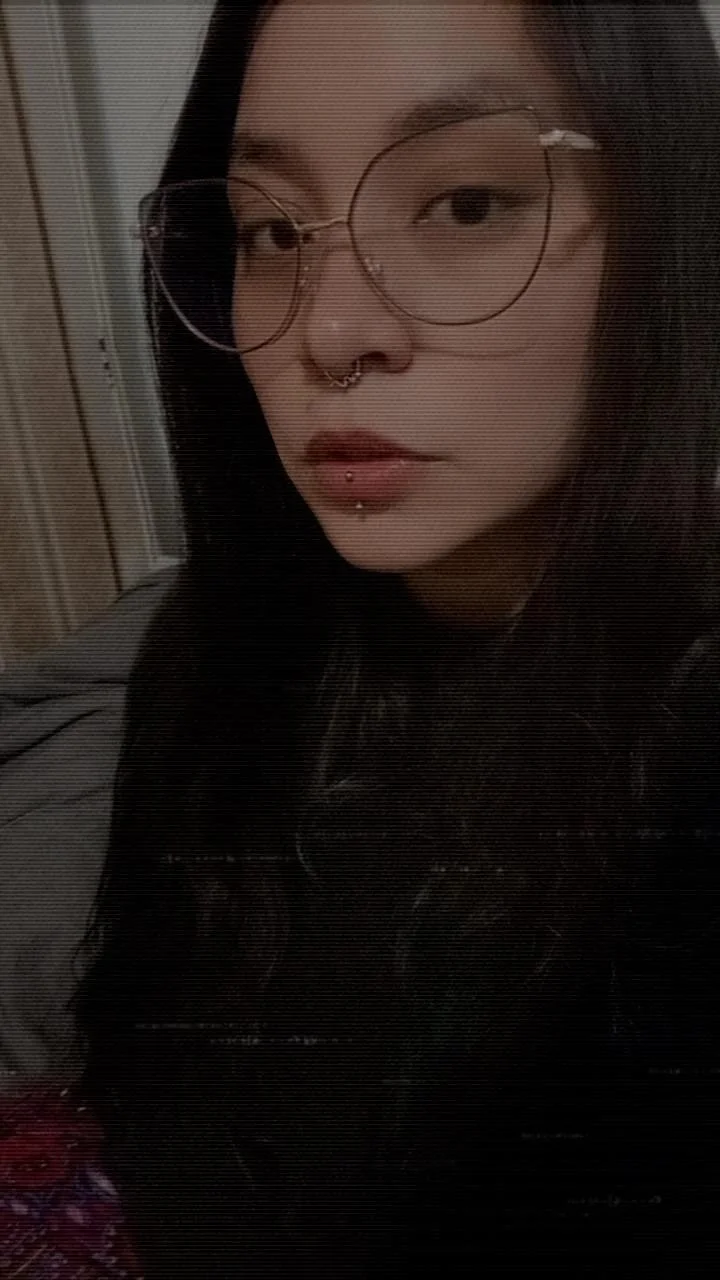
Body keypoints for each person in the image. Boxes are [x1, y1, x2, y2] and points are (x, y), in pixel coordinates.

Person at [2, 0, 720, 1275]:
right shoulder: (212, 652)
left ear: (675, 217)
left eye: (465, 206)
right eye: (272, 231)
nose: (327, 332)